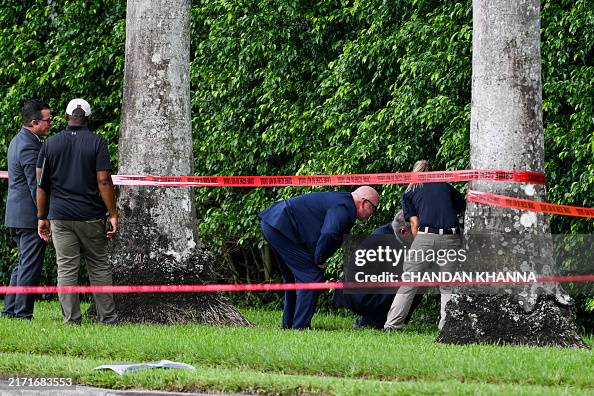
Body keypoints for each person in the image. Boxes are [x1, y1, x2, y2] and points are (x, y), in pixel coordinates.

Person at [36, 98, 118, 325]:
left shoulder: (50, 144)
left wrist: (41, 217)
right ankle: (107, 319)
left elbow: (41, 184)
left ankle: (72, 320)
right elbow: (103, 181)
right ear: (88, 118)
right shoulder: (97, 143)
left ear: (65, 117)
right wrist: (113, 213)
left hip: (60, 216)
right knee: (99, 265)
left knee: (66, 268)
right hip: (91, 216)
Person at [260, 186, 380, 329]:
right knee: (311, 275)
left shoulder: (344, 202)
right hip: (281, 226)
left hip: (276, 224)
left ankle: (289, 325)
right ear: (364, 202)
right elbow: (329, 233)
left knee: (293, 279)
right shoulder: (345, 207)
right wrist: (319, 260)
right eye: (373, 207)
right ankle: (300, 327)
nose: (372, 213)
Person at [384, 160, 466, 332]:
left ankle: (392, 325)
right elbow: (461, 206)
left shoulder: (410, 192)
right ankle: (446, 328)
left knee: (409, 283)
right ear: (431, 171)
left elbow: (414, 224)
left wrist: (418, 245)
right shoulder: (444, 184)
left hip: (425, 236)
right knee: (447, 285)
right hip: (451, 237)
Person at [1, 100, 52, 320]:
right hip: (28, 215)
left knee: (22, 264)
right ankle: (23, 313)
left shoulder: (17, 140)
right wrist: (43, 215)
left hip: (16, 214)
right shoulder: (31, 146)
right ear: (34, 122)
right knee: (30, 265)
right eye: (47, 120)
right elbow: (36, 185)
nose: (50, 123)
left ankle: (10, 309)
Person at [333, 211, 424, 329]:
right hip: (361, 295)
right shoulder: (383, 241)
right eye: (416, 231)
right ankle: (375, 322)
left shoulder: (391, 233)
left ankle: (376, 320)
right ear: (403, 231)